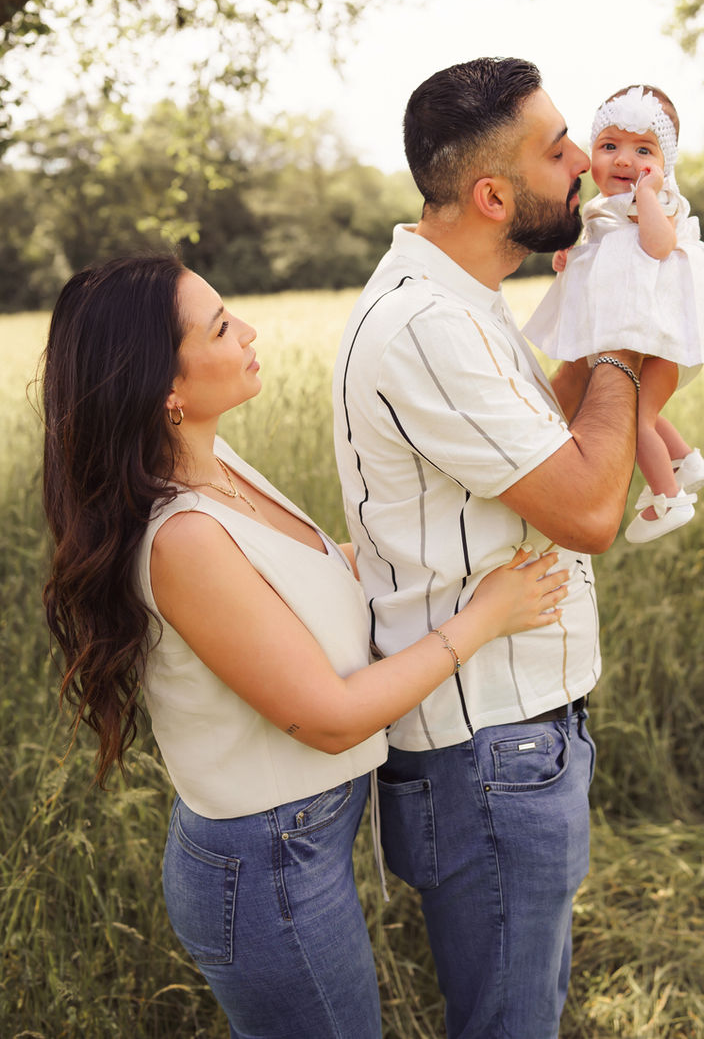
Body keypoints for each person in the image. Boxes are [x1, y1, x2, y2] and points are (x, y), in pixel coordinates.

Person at [41, 253, 570, 1039]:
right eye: (221, 327)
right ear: (167, 392)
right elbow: (329, 718)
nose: (248, 330)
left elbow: (319, 579)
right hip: (263, 869)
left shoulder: (215, 465)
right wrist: (482, 620)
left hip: (297, 845)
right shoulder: (183, 536)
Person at [332, 57, 643, 1039]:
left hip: (504, 742)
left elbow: (540, 452)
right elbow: (587, 508)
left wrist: (595, 321)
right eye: (558, 152)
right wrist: (627, 333)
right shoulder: (428, 324)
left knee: (520, 1007)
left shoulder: (458, 297)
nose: (583, 166)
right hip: (490, 753)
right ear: (492, 194)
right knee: (510, 1024)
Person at [524, 82, 704, 543]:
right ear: (592, 153)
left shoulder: (655, 204)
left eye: (643, 150)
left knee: (636, 420)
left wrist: (648, 195)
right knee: (642, 406)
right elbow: (600, 254)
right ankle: (686, 461)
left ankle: (668, 498)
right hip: (640, 340)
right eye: (610, 146)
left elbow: (658, 245)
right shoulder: (601, 210)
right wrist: (568, 254)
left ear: (665, 167)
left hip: (661, 340)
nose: (624, 160)